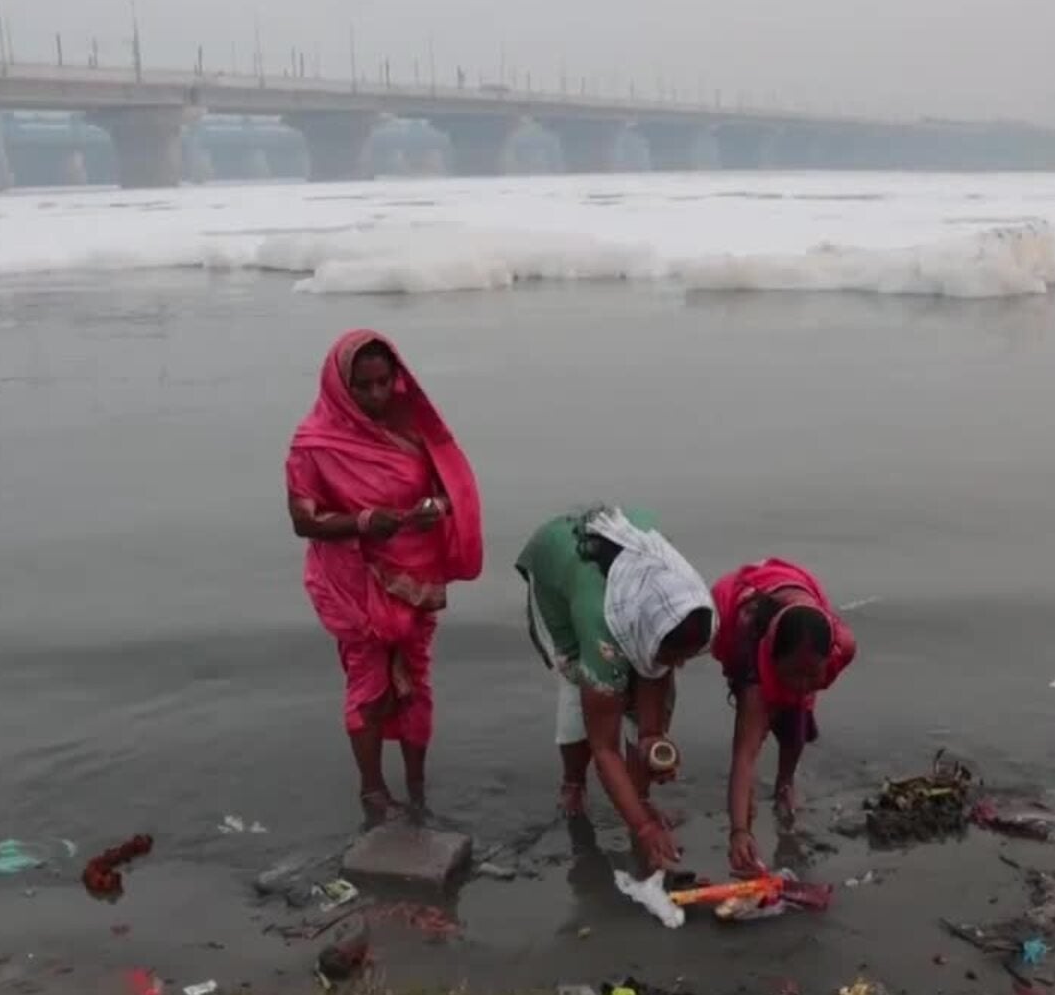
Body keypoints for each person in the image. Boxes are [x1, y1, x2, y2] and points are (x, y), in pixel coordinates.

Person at [285, 330, 483, 817]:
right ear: (339, 386)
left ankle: (416, 785)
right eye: (363, 386)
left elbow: (446, 483)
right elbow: (302, 519)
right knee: (369, 684)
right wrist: (366, 521)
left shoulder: (411, 422)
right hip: (354, 581)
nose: (376, 395)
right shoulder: (314, 444)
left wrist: (434, 508)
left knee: (416, 680)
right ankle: (372, 790)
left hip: (414, 577)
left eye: (382, 382)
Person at [516, 505, 713, 872]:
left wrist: (653, 737)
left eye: (687, 657)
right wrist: (643, 828)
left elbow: (658, 667)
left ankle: (637, 793)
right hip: (560, 570)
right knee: (582, 690)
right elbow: (605, 747)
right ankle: (573, 782)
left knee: (654, 686)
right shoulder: (600, 626)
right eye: (675, 656)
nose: (682, 665)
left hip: (637, 603)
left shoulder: (688, 603)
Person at [709, 558, 855, 875]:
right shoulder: (753, 657)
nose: (802, 685)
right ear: (772, 659)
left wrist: (799, 684)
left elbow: (802, 679)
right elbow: (744, 755)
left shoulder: (841, 646)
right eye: (793, 675)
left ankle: (784, 782)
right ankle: (746, 803)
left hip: (794, 607)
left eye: (811, 675)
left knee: (795, 725)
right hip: (742, 616)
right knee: (754, 726)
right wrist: (739, 831)